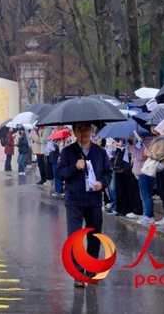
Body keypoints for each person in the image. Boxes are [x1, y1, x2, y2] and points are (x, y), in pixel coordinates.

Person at [57, 122, 113, 288]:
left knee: (94, 236)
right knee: (75, 237)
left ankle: (91, 270)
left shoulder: (100, 152)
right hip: (74, 199)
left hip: (94, 200)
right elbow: (59, 174)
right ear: (74, 132)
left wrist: (101, 184)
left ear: (92, 131)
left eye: (87, 129)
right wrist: (74, 167)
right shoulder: (68, 152)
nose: (84, 132)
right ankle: (78, 273)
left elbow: (108, 173)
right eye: (80, 129)